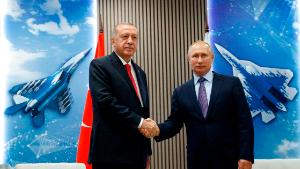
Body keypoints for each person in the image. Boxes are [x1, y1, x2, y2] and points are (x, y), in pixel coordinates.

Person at [142, 41, 254, 169]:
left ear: (212, 58)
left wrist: (246, 156)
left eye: (204, 55)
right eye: (195, 56)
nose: (199, 60)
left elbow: (244, 122)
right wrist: (157, 129)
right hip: (197, 159)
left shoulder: (232, 84)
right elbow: (174, 123)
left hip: (229, 158)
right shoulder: (180, 92)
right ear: (188, 59)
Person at [88, 23, 158, 169]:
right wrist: (140, 123)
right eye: (125, 36)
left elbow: (142, 110)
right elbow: (105, 102)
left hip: (137, 154)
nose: (130, 41)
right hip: (110, 154)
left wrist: (146, 152)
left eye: (134, 37)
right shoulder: (99, 65)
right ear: (113, 41)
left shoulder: (140, 72)